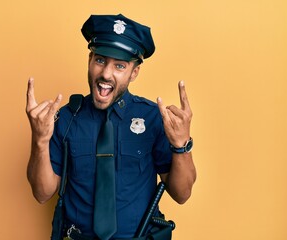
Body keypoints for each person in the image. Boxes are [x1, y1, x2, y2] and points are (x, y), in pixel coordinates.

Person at [26, 14, 196, 240]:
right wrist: (39, 140)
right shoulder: (66, 118)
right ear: (90, 59)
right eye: (100, 60)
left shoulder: (154, 119)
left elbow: (182, 194)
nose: (106, 73)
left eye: (119, 65)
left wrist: (181, 145)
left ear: (134, 72)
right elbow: (41, 193)